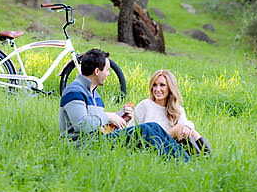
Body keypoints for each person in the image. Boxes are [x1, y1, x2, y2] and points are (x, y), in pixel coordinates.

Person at [59, 48, 188, 160]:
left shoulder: (95, 95)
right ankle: (184, 163)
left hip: (98, 140)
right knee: (145, 130)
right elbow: (82, 126)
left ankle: (186, 159)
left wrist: (119, 119)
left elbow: (98, 126)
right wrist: (108, 116)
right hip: (81, 146)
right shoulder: (74, 91)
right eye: (107, 70)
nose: (109, 74)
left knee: (153, 127)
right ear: (97, 71)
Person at [132, 69, 211, 156]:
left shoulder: (177, 109)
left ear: (170, 88)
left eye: (162, 85)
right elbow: (131, 130)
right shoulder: (145, 105)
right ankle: (195, 160)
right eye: (155, 85)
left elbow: (185, 128)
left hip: (170, 148)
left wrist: (188, 126)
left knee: (191, 131)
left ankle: (207, 158)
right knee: (179, 128)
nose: (157, 89)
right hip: (151, 145)